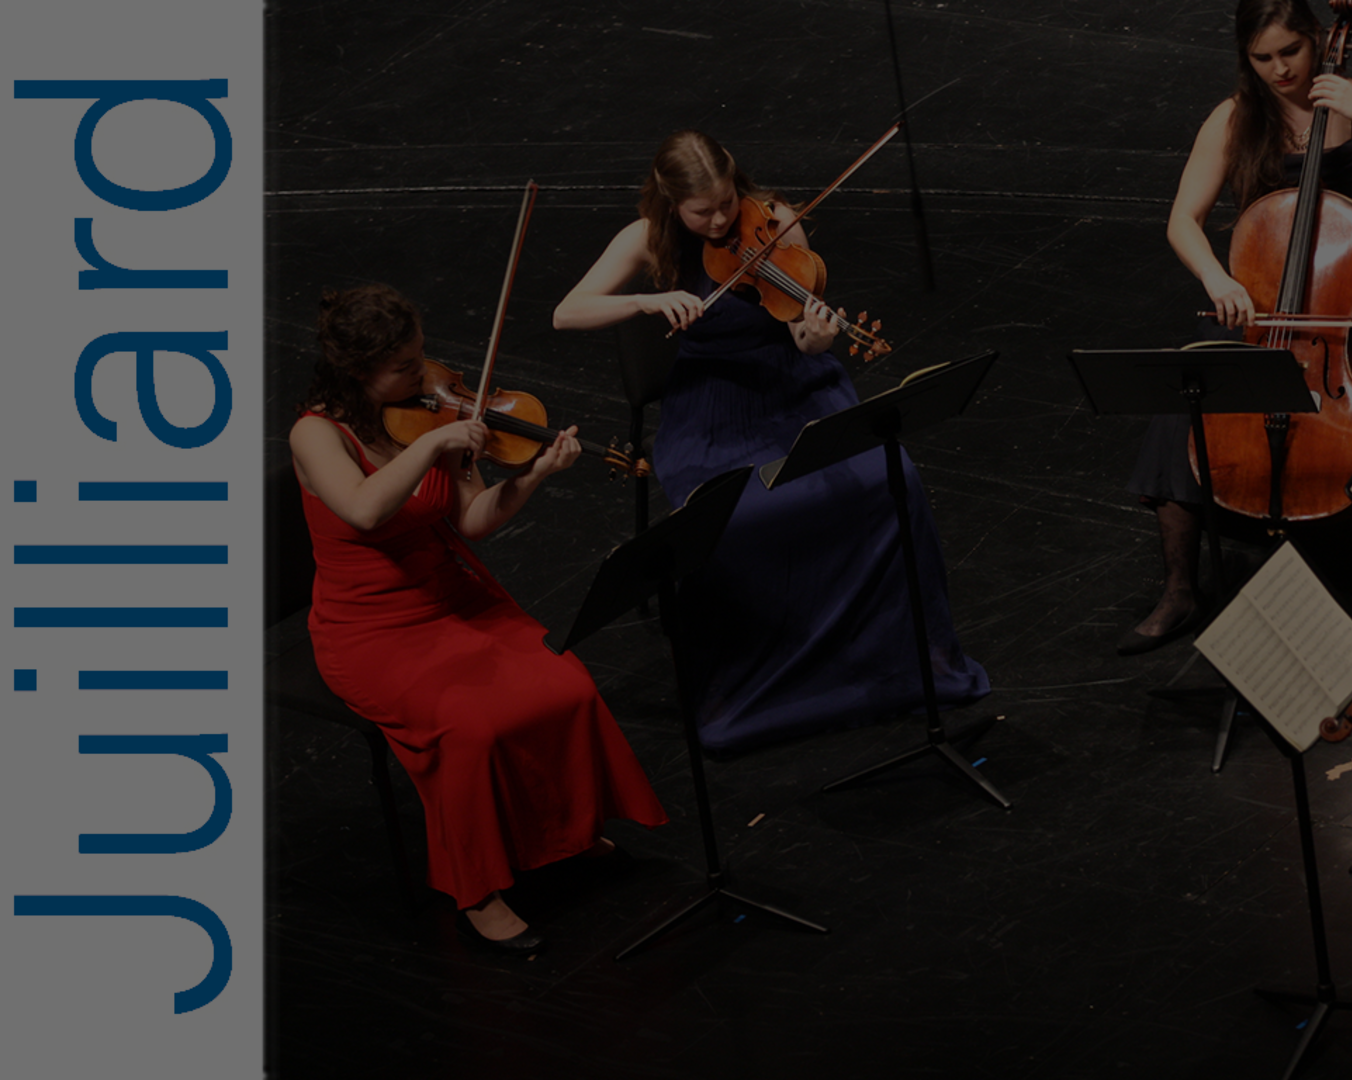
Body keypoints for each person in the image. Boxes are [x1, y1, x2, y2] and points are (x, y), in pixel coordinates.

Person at [552, 130, 989, 752]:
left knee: (889, 481)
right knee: (725, 515)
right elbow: (566, 312)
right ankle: (754, 678)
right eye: (702, 211)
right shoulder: (647, 239)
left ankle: (893, 661)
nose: (721, 219)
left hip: (794, 384)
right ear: (671, 201)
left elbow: (803, 338)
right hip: (710, 403)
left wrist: (816, 338)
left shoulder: (778, 221)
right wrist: (650, 301)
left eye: (727, 202)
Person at [290, 284, 668, 953]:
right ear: (357, 372)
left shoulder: (429, 415)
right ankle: (477, 891)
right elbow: (366, 512)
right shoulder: (316, 434)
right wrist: (432, 450)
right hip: (370, 630)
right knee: (470, 726)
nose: (426, 377)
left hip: (452, 600)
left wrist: (533, 475)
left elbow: (469, 520)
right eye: (405, 367)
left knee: (566, 686)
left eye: (420, 357)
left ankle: (567, 833)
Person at [1119, 0, 1352, 655]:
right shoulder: (1235, 118)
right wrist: (1220, 281)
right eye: (1263, 58)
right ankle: (1181, 587)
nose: (1280, 70)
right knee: (1186, 397)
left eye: (1291, 53)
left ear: (1314, 42)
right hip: (1267, 304)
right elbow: (1182, 221)